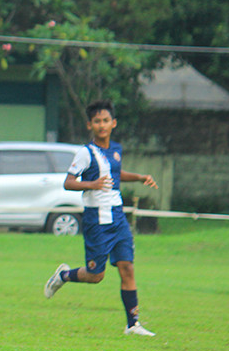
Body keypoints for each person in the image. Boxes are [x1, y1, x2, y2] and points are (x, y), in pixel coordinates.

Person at [44, 100, 158, 336]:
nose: (102, 125)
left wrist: (139, 177)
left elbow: (116, 173)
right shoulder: (85, 153)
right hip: (97, 220)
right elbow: (69, 182)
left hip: (118, 217)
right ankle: (64, 275)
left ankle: (133, 324)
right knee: (96, 276)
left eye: (106, 120)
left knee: (127, 267)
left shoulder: (115, 150)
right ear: (90, 125)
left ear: (113, 123)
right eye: (97, 121)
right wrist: (91, 184)